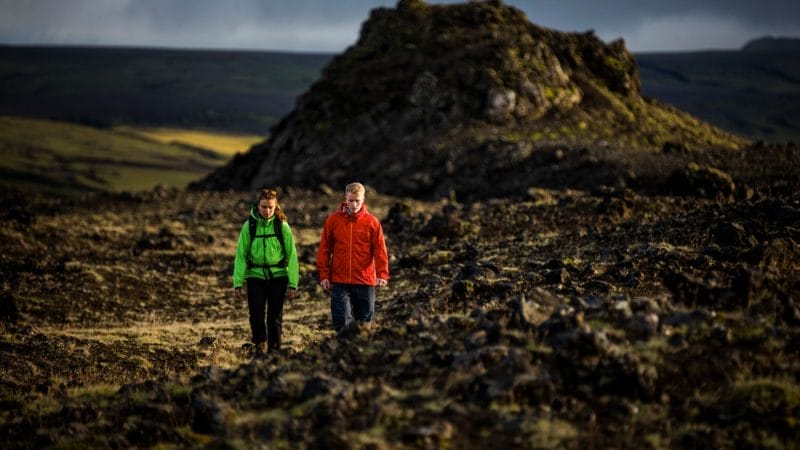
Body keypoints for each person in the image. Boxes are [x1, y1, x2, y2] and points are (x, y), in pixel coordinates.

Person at [234, 188, 299, 356]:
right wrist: (238, 283)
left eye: (270, 207)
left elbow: (292, 255)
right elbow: (241, 256)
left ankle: (274, 352)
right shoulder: (249, 226)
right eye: (264, 207)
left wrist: (293, 284)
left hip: (279, 277)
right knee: (256, 314)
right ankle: (259, 345)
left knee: (274, 317)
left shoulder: (282, 226)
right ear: (258, 205)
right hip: (255, 276)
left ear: (276, 205)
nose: (267, 211)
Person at [316, 182, 389, 332]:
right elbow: (325, 249)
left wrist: (382, 274)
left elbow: (380, 249)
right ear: (345, 198)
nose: (354, 204)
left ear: (363, 200)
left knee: (364, 326)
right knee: (341, 322)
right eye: (351, 200)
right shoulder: (333, 220)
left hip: (365, 281)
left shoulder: (372, 222)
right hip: (340, 281)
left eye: (358, 201)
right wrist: (324, 274)